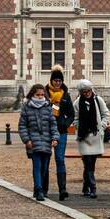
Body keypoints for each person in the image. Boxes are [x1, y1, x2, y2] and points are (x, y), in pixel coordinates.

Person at [18, 83, 57, 201]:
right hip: (33, 143)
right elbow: (22, 126)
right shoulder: (27, 107)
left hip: (46, 142)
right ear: (32, 94)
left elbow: (53, 124)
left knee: (44, 168)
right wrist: (26, 140)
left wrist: (55, 137)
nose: (40, 97)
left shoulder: (47, 107)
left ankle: (39, 189)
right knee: (37, 166)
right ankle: (39, 189)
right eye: (37, 95)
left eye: (42, 95)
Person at [75, 79, 110, 199]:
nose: (87, 93)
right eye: (84, 91)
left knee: (90, 164)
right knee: (88, 162)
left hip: (95, 136)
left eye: (88, 91)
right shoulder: (77, 103)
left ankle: (86, 187)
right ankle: (93, 188)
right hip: (84, 137)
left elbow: (106, 114)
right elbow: (75, 118)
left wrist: (102, 126)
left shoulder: (98, 100)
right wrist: (79, 127)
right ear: (81, 92)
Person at [46, 68, 75, 200]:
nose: (57, 83)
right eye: (55, 80)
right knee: (45, 160)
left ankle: (62, 189)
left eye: (59, 80)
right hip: (46, 131)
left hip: (61, 131)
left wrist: (65, 124)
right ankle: (43, 189)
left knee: (59, 159)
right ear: (51, 81)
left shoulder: (65, 95)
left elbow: (71, 114)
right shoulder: (44, 93)